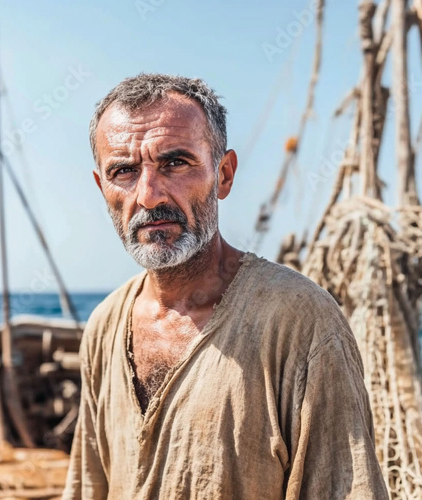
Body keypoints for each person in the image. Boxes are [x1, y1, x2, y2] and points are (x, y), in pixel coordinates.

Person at [62, 74, 388, 499]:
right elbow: (90, 485)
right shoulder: (105, 325)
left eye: (175, 163)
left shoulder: (300, 322)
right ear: (102, 187)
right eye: (123, 171)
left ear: (224, 174)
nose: (148, 196)